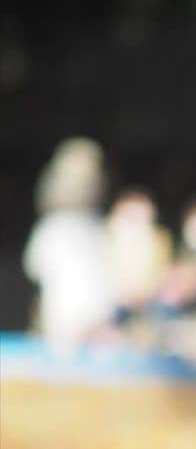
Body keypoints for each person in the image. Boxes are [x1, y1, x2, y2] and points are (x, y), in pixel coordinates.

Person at [22, 137, 113, 352]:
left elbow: (34, 268)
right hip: (77, 313)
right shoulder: (85, 228)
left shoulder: (59, 228)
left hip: (71, 315)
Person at [106, 188, 172, 320]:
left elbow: (161, 270)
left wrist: (146, 294)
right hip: (110, 299)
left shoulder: (158, 238)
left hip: (148, 300)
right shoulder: (105, 236)